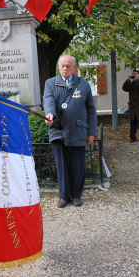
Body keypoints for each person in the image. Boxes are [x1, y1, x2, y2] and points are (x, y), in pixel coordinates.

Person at [43, 55, 98, 208]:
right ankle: (63, 196)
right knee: (62, 165)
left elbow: (91, 110)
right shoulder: (50, 83)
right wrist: (50, 113)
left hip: (78, 129)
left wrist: (91, 132)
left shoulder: (84, 85)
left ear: (74, 67)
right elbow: (48, 100)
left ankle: (76, 195)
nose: (65, 68)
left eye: (68, 66)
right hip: (58, 129)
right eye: (62, 65)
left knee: (78, 165)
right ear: (59, 66)